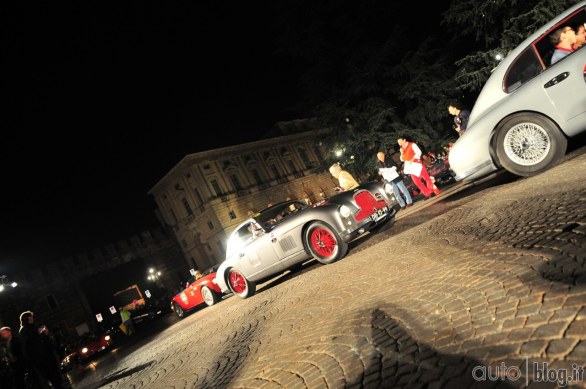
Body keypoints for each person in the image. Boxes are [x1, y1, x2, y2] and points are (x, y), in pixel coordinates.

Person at [18, 311, 64, 389]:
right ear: (28, 318)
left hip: (47, 353)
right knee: (50, 375)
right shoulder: (24, 331)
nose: (33, 318)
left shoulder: (35, 326)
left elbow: (43, 338)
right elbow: (27, 345)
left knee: (55, 374)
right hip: (40, 357)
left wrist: (45, 334)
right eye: (31, 316)